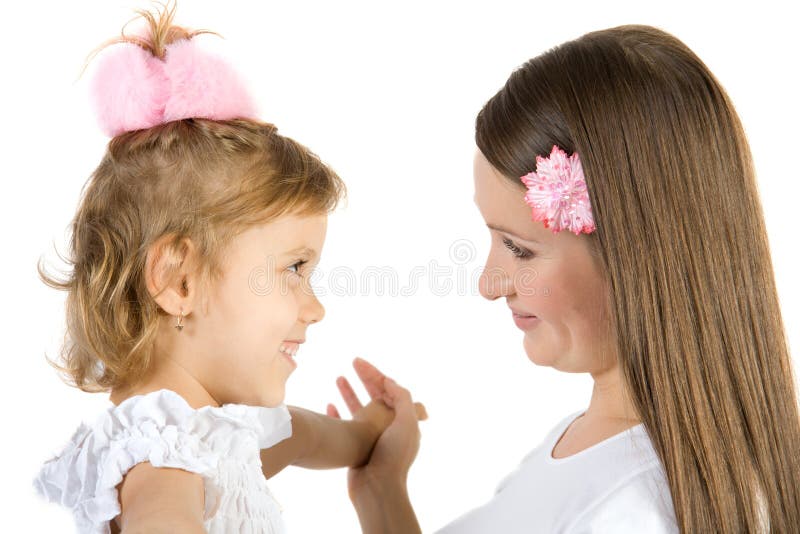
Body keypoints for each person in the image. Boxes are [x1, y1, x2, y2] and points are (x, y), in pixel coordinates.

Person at [330, 24, 800, 533]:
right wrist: (382, 491)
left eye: (519, 249)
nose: (489, 284)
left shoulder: (632, 510)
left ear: (636, 255)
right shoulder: (585, 450)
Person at [32, 3, 425, 533]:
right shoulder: (161, 458)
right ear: (179, 282)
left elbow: (315, 438)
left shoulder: (214, 436)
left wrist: (381, 424)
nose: (316, 308)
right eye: (293, 269)